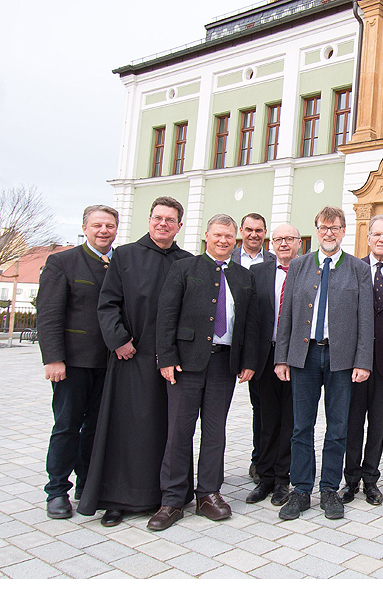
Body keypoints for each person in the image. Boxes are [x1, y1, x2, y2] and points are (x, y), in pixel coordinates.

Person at [77, 196, 192, 527]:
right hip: (132, 355)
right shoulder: (125, 255)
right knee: (125, 429)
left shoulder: (186, 261)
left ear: (179, 226)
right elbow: (108, 303)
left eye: (170, 220)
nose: (163, 224)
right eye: (158, 218)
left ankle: (166, 496)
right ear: (149, 219)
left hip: (173, 361)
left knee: (167, 429)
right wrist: (119, 340)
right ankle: (117, 499)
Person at [147, 214, 259, 531]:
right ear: (206, 236)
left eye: (229, 236)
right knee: (179, 432)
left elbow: (250, 323)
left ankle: (208, 493)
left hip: (224, 365)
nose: (224, 241)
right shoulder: (184, 269)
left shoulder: (243, 276)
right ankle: (171, 499)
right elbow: (166, 316)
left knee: (214, 433)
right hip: (185, 364)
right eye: (218, 235)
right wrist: (165, 358)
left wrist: (248, 361)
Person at [274, 206, 373, 520]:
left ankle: (329, 488)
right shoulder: (300, 265)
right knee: (301, 426)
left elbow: (365, 320)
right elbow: (286, 314)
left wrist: (363, 362)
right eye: (323, 227)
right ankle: (301, 489)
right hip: (303, 357)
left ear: (344, 231)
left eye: (335, 227)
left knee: (338, 427)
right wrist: (282, 358)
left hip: (340, 359)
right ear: (316, 230)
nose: (329, 233)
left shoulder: (358, 268)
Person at [37, 205, 119, 519]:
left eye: (109, 226)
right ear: (85, 228)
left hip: (110, 363)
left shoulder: (119, 262)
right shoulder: (63, 262)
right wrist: (53, 358)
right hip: (72, 363)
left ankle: (88, 485)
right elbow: (49, 314)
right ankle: (57, 490)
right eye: (97, 225)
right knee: (67, 427)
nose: (103, 231)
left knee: (97, 428)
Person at [340, 215, 383, 506]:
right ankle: (350, 480)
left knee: (377, 423)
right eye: (377, 234)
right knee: (352, 423)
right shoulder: (353, 268)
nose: (381, 240)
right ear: (368, 238)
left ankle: (371, 480)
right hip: (354, 362)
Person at [245, 223, 302, 507]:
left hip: (296, 358)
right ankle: (264, 477)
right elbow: (250, 318)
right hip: (265, 356)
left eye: (289, 239)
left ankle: (283, 479)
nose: (283, 243)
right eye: (278, 239)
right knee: (266, 419)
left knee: (289, 420)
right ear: (272, 244)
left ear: (299, 243)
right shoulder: (258, 273)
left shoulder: (308, 270)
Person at [231, 212, 276, 484]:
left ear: (265, 232)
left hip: (260, 345)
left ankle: (259, 460)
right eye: (249, 229)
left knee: (260, 406)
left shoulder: (272, 261)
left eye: (259, 230)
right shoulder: (229, 258)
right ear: (241, 230)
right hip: (227, 339)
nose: (254, 235)